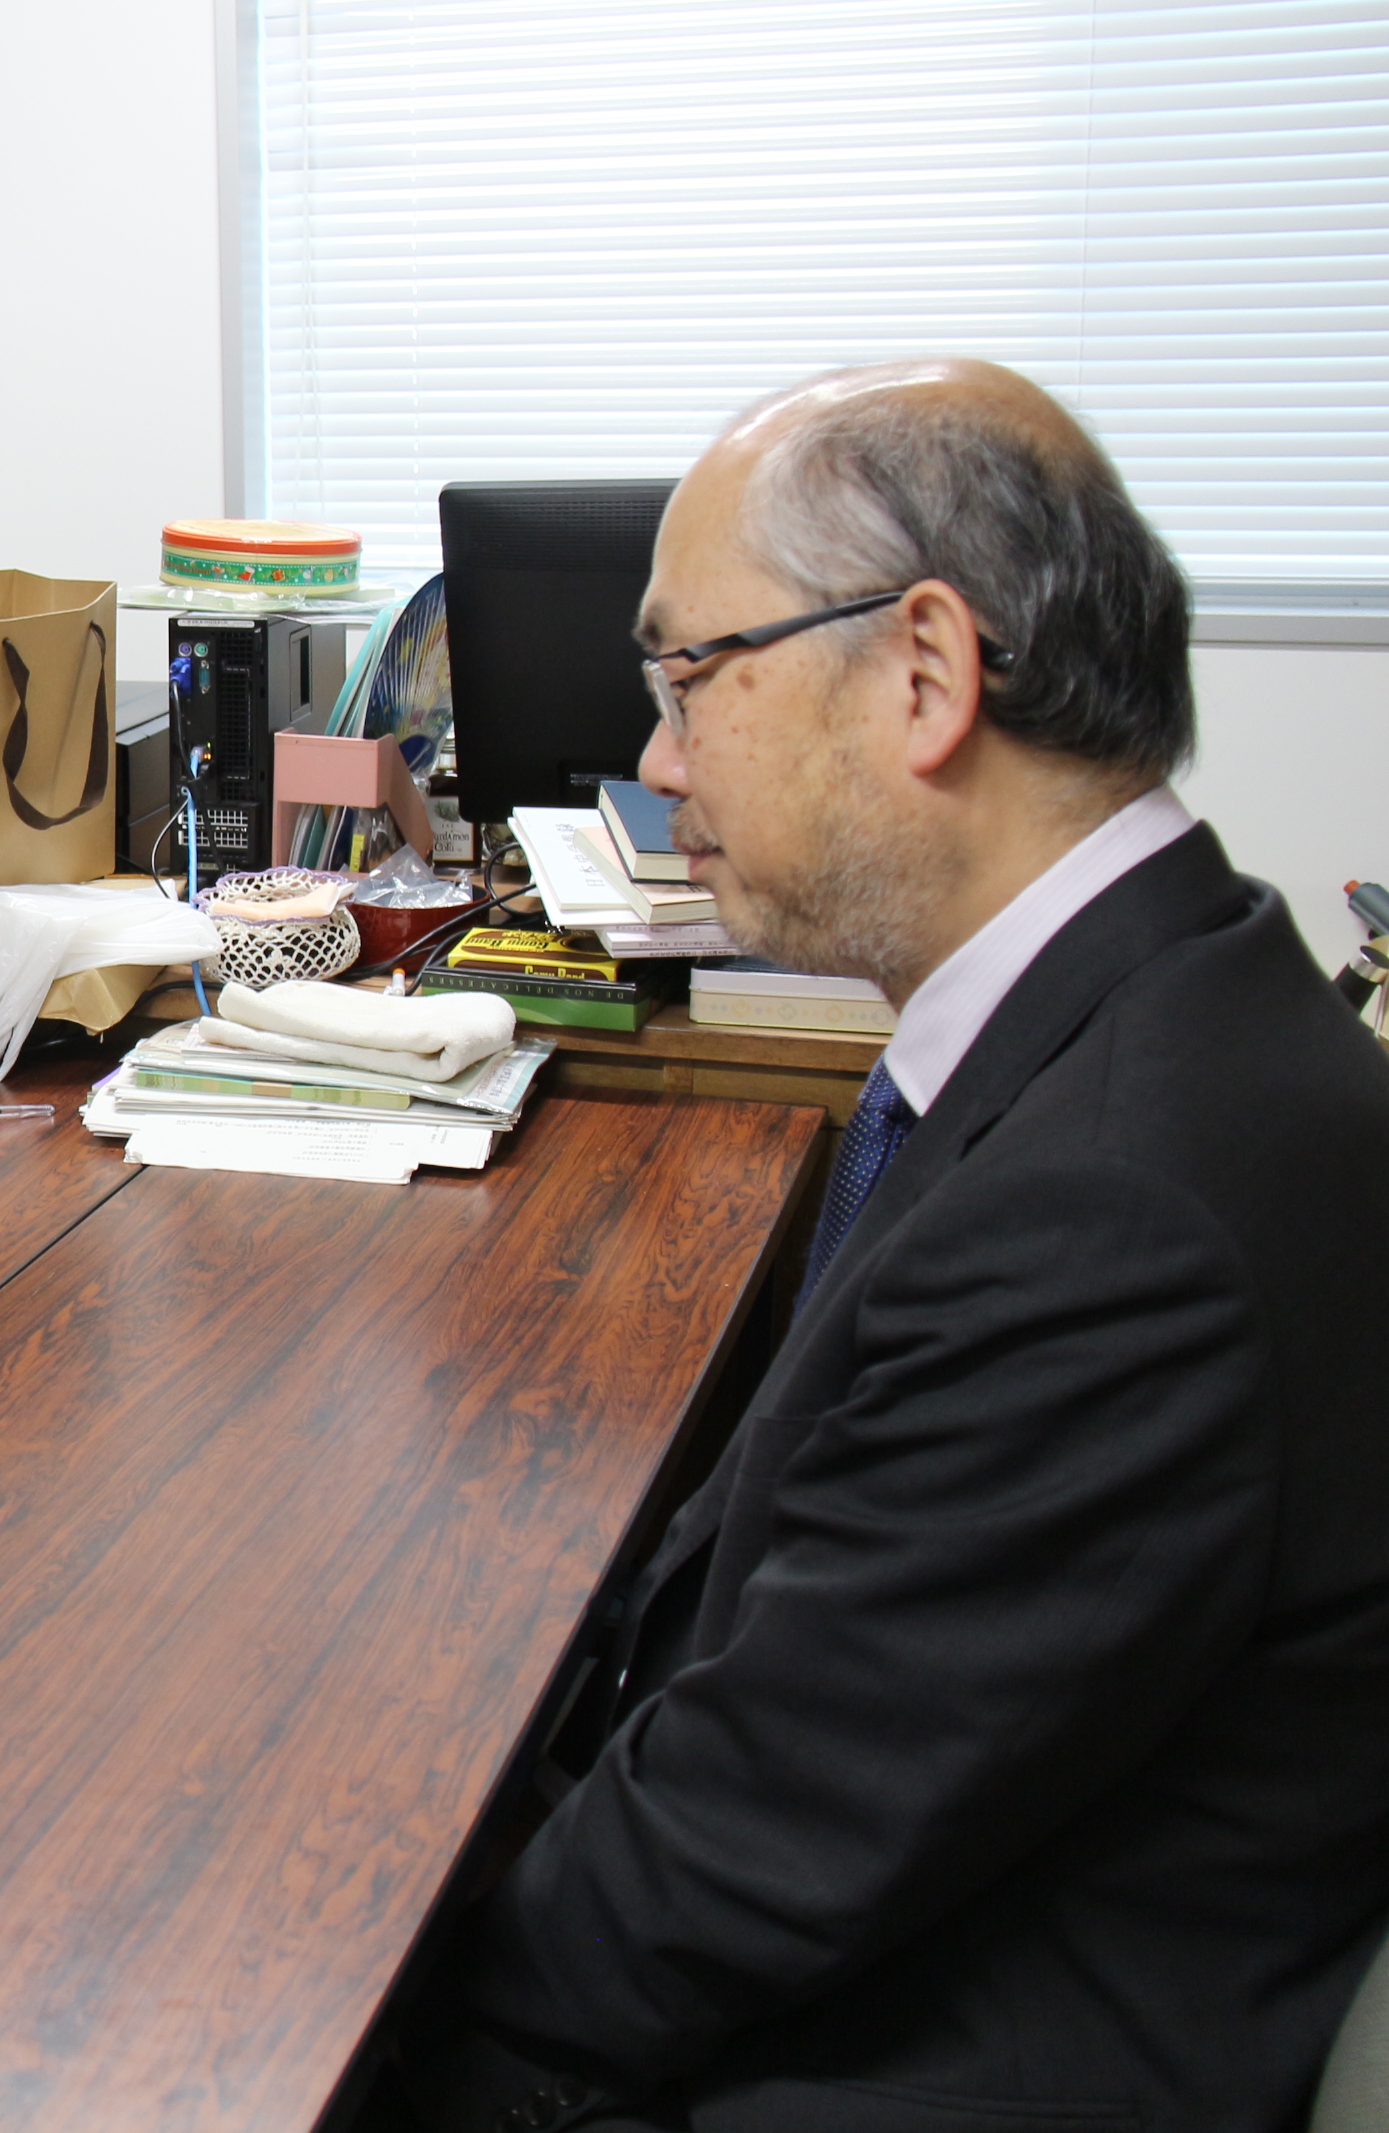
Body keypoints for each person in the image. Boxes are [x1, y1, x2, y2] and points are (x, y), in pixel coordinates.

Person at [399, 362, 1389, 2129]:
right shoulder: (1171, 992)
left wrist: (331, 1975)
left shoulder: (1116, 1215)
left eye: (691, 675)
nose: (656, 756)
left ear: (926, 672)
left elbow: (724, 1873)